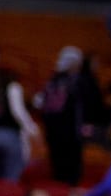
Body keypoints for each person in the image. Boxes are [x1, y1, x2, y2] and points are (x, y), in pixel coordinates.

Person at [36, 48, 87, 187]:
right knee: (70, 176)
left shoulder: (51, 82)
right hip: (69, 136)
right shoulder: (76, 82)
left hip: (54, 136)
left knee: (59, 175)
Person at [0, 67, 40, 183]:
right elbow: (18, 112)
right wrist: (32, 130)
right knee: (10, 179)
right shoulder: (13, 88)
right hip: (9, 136)